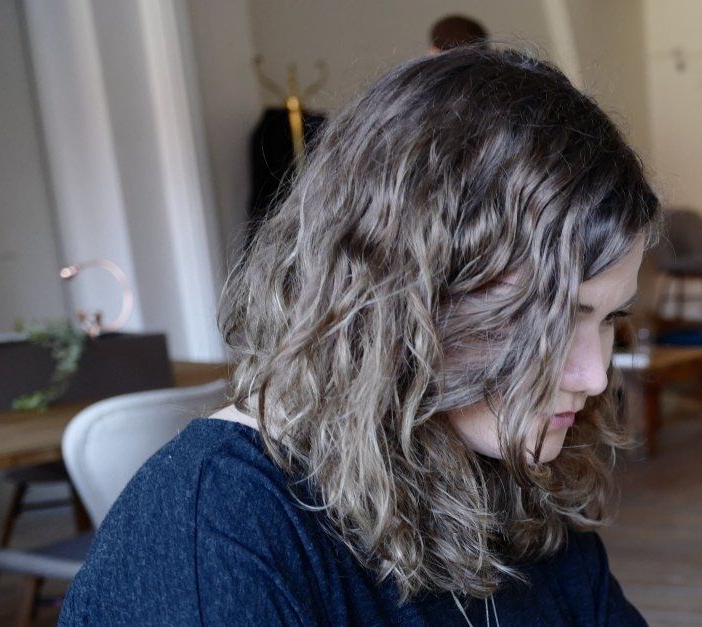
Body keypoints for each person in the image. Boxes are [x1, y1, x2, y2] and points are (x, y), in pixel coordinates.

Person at [59, 48, 658, 626]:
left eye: (609, 320)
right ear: (398, 297)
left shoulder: (502, 474)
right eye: (545, 322)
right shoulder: (213, 534)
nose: (594, 375)